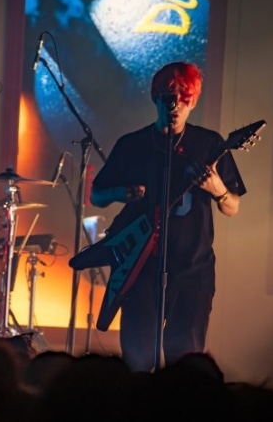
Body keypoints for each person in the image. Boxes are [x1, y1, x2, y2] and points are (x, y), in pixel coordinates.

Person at [89, 62, 246, 371]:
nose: (176, 105)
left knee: (185, 362)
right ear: (155, 97)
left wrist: (218, 189)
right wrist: (121, 193)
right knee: (137, 359)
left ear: (194, 101)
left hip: (193, 269)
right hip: (140, 269)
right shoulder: (132, 145)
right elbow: (96, 195)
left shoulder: (211, 144)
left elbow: (233, 207)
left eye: (184, 98)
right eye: (168, 97)